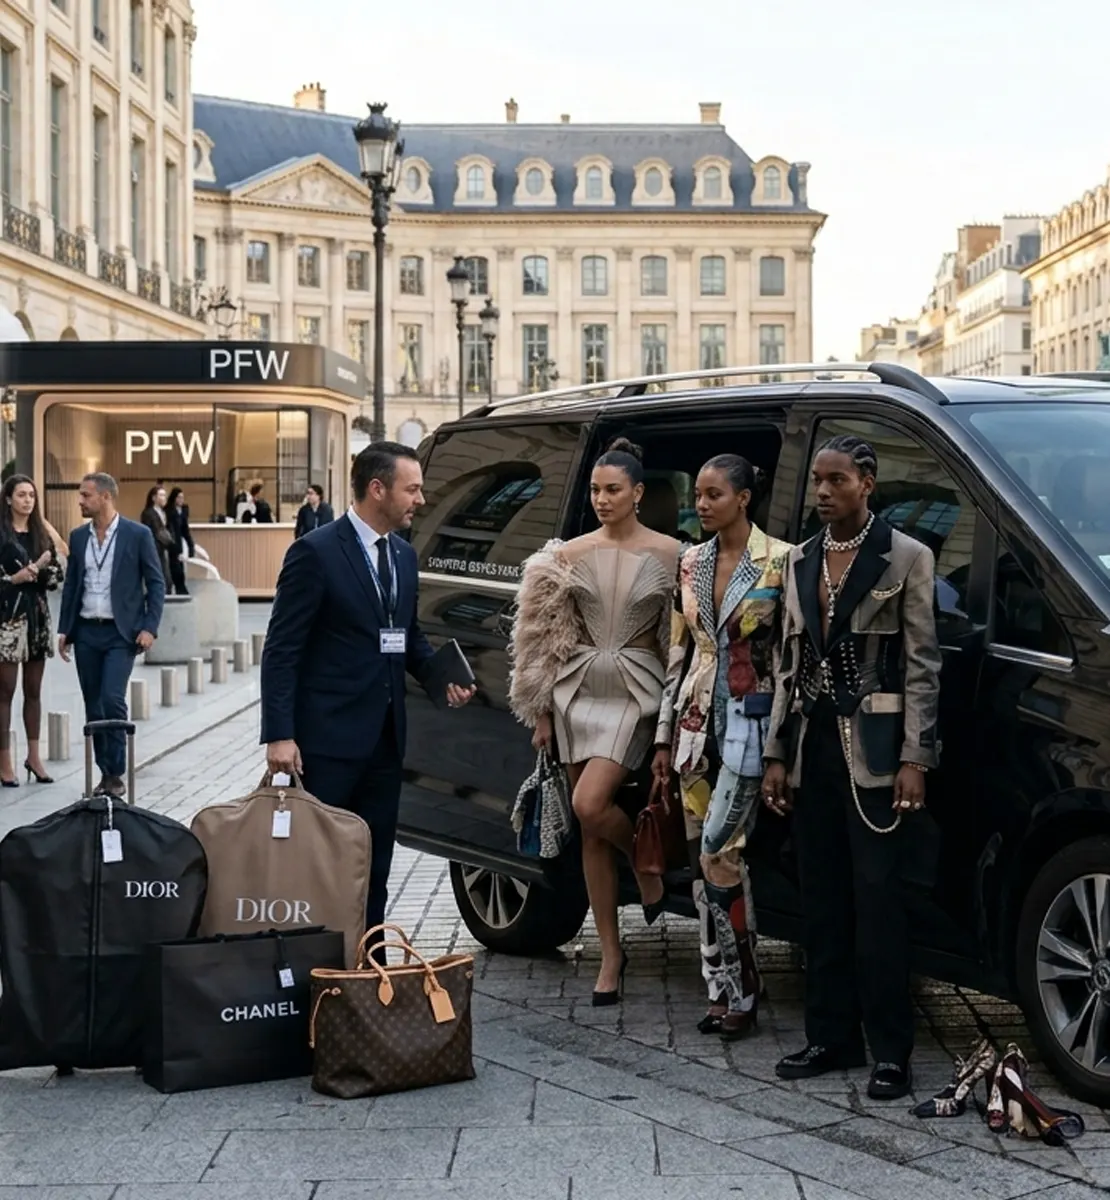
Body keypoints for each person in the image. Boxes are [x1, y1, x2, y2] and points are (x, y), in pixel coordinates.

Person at [761, 434, 941, 1101]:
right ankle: (830, 1037)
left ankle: (890, 1052)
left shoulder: (906, 557)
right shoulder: (801, 559)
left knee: (880, 906)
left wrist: (916, 758)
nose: (823, 492)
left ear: (868, 481)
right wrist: (777, 753)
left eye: (836, 480)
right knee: (823, 903)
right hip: (813, 752)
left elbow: (924, 666)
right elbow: (786, 663)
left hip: (878, 754)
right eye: (817, 481)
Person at [261, 443, 475, 946]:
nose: (420, 500)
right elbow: (282, 649)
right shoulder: (314, 553)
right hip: (326, 743)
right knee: (320, 861)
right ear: (377, 489)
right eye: (413, 488)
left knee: (375, 862)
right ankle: (313, 965)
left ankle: (371, 963)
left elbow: (405, 634)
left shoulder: (402, 554)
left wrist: (438, 675)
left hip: (384, 738)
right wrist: (279, 735)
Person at [509, 438, 679, 1005]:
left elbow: (677, 641)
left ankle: (646, 865)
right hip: (576, 691)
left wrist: (677, 716)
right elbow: (540, 639)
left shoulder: (673, 554)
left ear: (638, 493)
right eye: (595, 491)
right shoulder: (566, 554)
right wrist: (540, 711)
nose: (602, 500)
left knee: (589, 803)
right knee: (588, 828)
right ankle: (610, 952)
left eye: (613, 490)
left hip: (637, 689)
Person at [653, 455, 792, 1039]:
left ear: (744, 498)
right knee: (706, 861)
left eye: (713, 494)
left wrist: (781, 746)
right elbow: (677, 654)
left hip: (750, 727)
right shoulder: (690, 562)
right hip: (692, 725)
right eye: (698, 494)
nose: (701, 504)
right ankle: (724, 988)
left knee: (717, 851)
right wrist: (663, 737)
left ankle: (745, 984)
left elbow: (788, 662)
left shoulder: (782, 561)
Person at [57, 472, 166, 797]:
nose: (80, 501)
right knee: (94, 705)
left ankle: (116, 772)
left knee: (112, 699)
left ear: (105, 497)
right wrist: (65, 629)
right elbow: (72, 585)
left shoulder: (138, 534)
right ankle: (105, 773)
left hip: (122, 633)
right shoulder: (78, 537)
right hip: (88, 630)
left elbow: (156, 583)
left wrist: (150, 627)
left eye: (86, 495)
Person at [0, 475, 65, 787]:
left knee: (34, 691)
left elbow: (56, 575)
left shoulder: (41, 534)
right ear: (9, 499)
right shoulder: (1, 533)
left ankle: (34, 756)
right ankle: (4, 761)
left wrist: (35, 571)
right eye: (22, 495)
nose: (27, 500)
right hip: (7, 621)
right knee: (5, 691)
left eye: (31, 495)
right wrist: (13, 580)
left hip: (38, 619)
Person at [165, 487, 207, 595]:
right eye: (179, 497)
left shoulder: (183, 510)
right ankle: (179, 589)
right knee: (174, 567)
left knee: (180, 566)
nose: (181, 500)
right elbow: (170, 528)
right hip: (171, 541)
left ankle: (181, 588)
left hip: (179, 539)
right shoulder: (169, 510)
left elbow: (185, 529)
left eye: (182, 497)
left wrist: (190, 544)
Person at [140, 484, 173, 592]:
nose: (164, 498)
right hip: (154, 549)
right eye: (161, 495)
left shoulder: (163, 513)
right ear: (154, 498)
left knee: (166, 578)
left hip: (162, 549)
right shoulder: (148, 513)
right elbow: (152, 532)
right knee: (160, 577)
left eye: (165, 495)